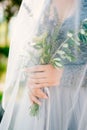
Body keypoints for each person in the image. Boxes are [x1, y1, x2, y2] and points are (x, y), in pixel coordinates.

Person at [0, 0, 87, 130]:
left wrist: (64, 75)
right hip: (43, 105)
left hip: (80, 106)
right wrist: (33, 80)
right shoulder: (40, 3)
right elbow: (33, 52)